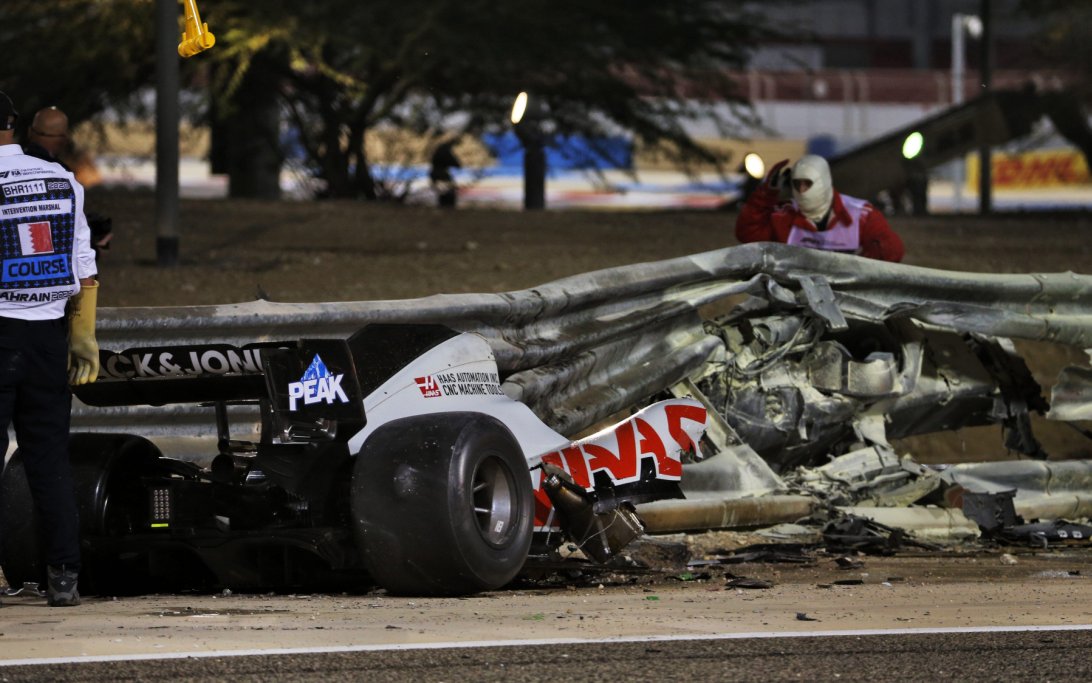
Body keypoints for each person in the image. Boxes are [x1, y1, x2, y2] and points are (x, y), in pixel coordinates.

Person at [0, 91, 100, 607]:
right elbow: (84, 259)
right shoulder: (63, 179)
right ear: (14, 124)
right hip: (48, 337)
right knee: (49, 463)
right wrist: (84, 334)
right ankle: (63, 576)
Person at [735, 154, 905, 262]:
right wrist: (765, 194)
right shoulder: (783, 215)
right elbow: (747, 233)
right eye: (797, 184)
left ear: (823, 181)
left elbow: (893, 253)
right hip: (794, 302)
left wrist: (866, 262)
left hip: (847, 302)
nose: (802, 191)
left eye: (807, 184)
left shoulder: (860, 215)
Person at [24, 107, 113, 255]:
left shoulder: (10, 169)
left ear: (29, 132)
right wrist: (92, 243)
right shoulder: (62, 175)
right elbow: (66, 231)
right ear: (63, 139)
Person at [429, 139, 462, 209]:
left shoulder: (438, 151)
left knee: (443, 193)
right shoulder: (445, 152)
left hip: (435, 174)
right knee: (448, 193)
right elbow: (456, 163)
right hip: (441, 174)